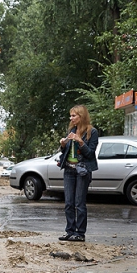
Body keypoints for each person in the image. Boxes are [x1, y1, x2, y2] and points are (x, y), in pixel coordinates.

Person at [58, 104, 98, 243]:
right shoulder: (71, 130)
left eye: (74, 115)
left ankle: (80, 233)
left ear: (81, 116)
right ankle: (70, 231)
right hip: (69, 170)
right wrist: (63, 145)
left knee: (79, 203)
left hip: (82, 171)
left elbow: (90, 153)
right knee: (68, 203)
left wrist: (80, 141)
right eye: (71, 115)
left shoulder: (91, 132)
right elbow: (65, 151)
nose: (71, 118)